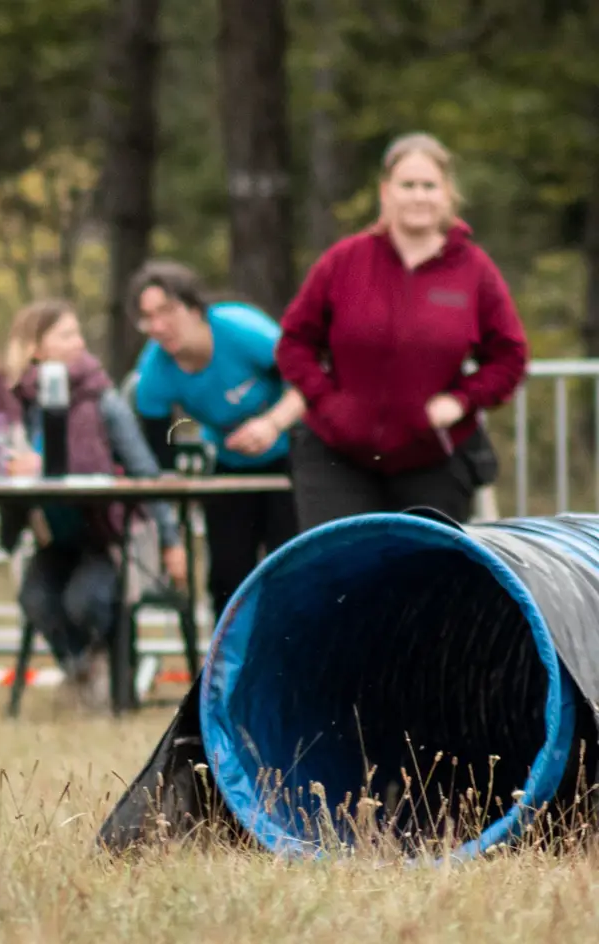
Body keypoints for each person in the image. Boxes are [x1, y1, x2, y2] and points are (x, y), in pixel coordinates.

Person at [275, 132, 528, 527]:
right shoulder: (344, 261)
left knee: (424, 577)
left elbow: (510, 357)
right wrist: (328, 401)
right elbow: (294, 342)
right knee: (343, 571)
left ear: (447, 194)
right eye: (407, 185)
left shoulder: (474, 271)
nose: (418, 196)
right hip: (337, 455)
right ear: (385, 192)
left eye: (429, 186)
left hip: (431, 456)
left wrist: (461, 400)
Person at [0, 300, 188, 707]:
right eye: (67, 334)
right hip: (52, 536)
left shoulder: (100, 399)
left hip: (110, 533)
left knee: (85, 599)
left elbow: (145, 471)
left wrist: (171, 539)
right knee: (37, 599)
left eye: (79, 333)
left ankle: (108, 672)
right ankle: (88, 670)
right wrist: (7, 466)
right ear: (35, 347)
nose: (80, 343)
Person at [126, 259, 303, 622]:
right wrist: (169, 531)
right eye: (148, 318)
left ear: (193, 307)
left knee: (290, 567)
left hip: (294, 457)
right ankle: (227, 669)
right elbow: (160, 455)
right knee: (227, 574)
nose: (158, 326)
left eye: (167, 311)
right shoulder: (155, 372)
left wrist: (272, 424)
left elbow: (306, 379)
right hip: (230, 466)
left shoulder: (239, 329)